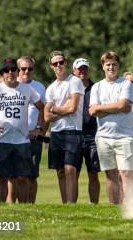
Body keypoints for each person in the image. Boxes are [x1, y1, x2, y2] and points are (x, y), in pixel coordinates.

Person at [0, 58, 43, 203]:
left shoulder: (27, 89)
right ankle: (1, 209)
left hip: (22, 141)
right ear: (2, 73)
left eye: (13, 69)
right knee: (3, 177)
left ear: (17, 71)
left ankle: (22, 209)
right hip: (2, 141)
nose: (10, 72)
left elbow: (42, 107)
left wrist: (38, 128)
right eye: (6, 70)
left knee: (22, 177)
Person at [89, 51, 133, 205]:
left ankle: (130, 208)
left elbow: (124, 105)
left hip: (124, 135)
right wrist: (117, 107)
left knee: (126, 173)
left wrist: (102, 109)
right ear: (103, 66)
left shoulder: (126, 83)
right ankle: (114, 207)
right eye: (108, 64)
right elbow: (93, 111)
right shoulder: (97, 87)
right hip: (103, 137)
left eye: (114, 64)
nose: (111, 67)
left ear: (118, 65)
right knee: (110, 174)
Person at [44, 51, 85, 204]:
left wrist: (55, 109)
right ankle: (64, 204)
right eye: (55, 63)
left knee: (70, 170)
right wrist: (62, 109)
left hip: (72, 131)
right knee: (60, 172)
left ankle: (71, 204)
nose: (59, 65)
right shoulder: (50, 88)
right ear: (51, 66)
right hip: (56, 133)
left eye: (61, 62)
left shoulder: (74, 81)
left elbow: (72, 108)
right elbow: (46, 116)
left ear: (66, 63)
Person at [17, 55, 47, 203]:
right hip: (14, 138)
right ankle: (16, 207)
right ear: (17, 69)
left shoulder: (40, 87)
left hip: (34, 138)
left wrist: (40, 130)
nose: (26, 71)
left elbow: (45, 112)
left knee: (32, 175)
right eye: (23, 68)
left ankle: (30, 207)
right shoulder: (9, 85)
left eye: (30, 69)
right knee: (16, 175)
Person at [73, 58, 100, 204]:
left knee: (93, 173)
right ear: (74, 71)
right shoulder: (69, 88)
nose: (82, 71)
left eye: (85, 69)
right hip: (75, 134)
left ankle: (94, 205)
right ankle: (72, 204)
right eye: (79, 69)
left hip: (92, 135)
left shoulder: (96, 88)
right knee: (73, 174)